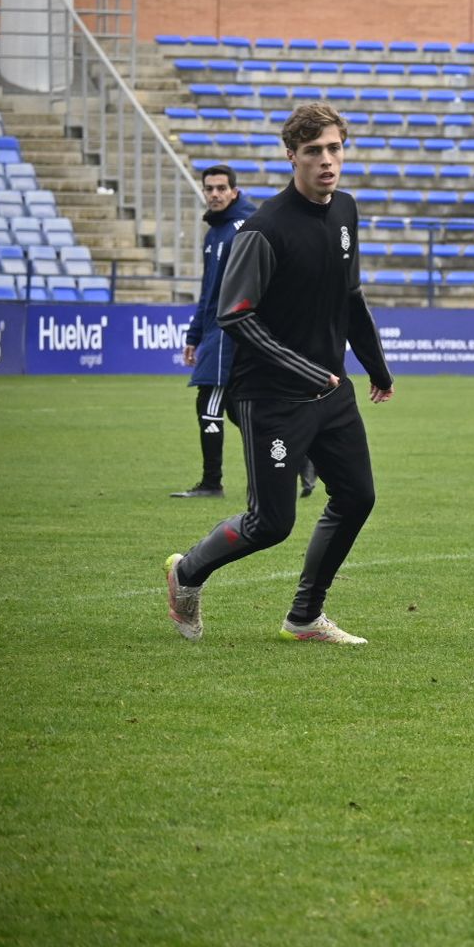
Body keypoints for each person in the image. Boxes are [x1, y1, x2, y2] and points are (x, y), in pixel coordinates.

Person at [164, 102, 395, 645]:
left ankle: (305, 617)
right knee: (270, 523)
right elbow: (235, 315)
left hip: (330, 390)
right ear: (291, 156)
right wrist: (303, 369)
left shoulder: (346, 210)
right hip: (270, 396)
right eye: (314, 151)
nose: (327, 161)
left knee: (357, 497)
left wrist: (377, 367)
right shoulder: (264, 229)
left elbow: (351, 296)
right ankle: (186, 574)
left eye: (334, 149)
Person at [171, 164, 256, 499]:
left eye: (222, 188)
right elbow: (208, 291)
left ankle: (211, 482)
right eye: (209, 189)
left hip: (231, 330)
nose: (215, 194)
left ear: (234, 192)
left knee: (209, 400)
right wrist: (194, 335)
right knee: (237, 409)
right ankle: (301, 456)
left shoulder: (242, 228)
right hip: (214, 331)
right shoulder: (214, 233)